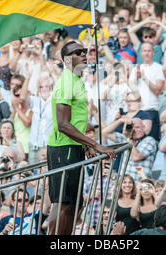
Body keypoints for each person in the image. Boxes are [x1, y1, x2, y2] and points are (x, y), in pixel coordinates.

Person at [46, 41, 116, 235]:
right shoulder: (66, 81)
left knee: (75, 204)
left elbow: (74, 121)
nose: (84, 54)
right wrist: (96, 144)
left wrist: (85, 146)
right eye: (78, 52)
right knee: (62, 203)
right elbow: (63, 124)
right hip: (63, 147)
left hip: (73, 146)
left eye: (85, 51)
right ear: (67, 59)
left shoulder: (77, 80)